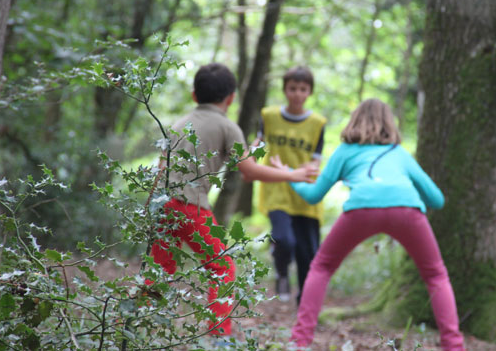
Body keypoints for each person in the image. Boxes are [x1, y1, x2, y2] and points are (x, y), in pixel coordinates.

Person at [273, 98, 466, 350]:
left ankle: (299, 342)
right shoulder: (399, 154)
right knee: (436, 275)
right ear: (390, 123)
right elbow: (437, 200)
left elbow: (313, 195)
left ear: (355, 119)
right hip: (406, 210)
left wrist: (289, 175)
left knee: (321, 267)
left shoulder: (344, 151)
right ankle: (454, 346)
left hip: (361, 209)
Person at [149, 63, 317, 337]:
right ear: (231, 98)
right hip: (191, 206)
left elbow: (160, 170)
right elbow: (248, 171)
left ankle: (136, 325)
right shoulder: (228, 126)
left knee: (160, 269)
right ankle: (219, 337)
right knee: (223, 267)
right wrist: (293, 175)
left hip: (162, 205)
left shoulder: (177, 124)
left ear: (194, 96)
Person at [255, 66, 327, 303]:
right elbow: (258, 144)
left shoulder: (317, 123)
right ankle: (282, 271)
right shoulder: (269, 116)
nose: (297, 94)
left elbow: (315, 160)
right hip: (277, 189)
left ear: (310, 92)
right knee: (283, 239)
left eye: (303, 89)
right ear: (285, 90)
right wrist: (248, 161)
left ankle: (303, 304)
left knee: (307, 254)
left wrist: (298, 172)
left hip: (306, 191)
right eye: (293, 88)